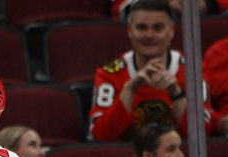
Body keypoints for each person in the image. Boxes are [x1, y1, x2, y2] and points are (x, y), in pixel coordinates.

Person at [89, 0, 214, 143]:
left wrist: (176, 93)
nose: (149, 35)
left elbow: (202, 136)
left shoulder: (192, 71)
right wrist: (130, 89)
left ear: (171, 31)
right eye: (142, 28)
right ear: (130, 30)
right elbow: (100, 136)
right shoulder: (109, 74)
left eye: (158, 28)